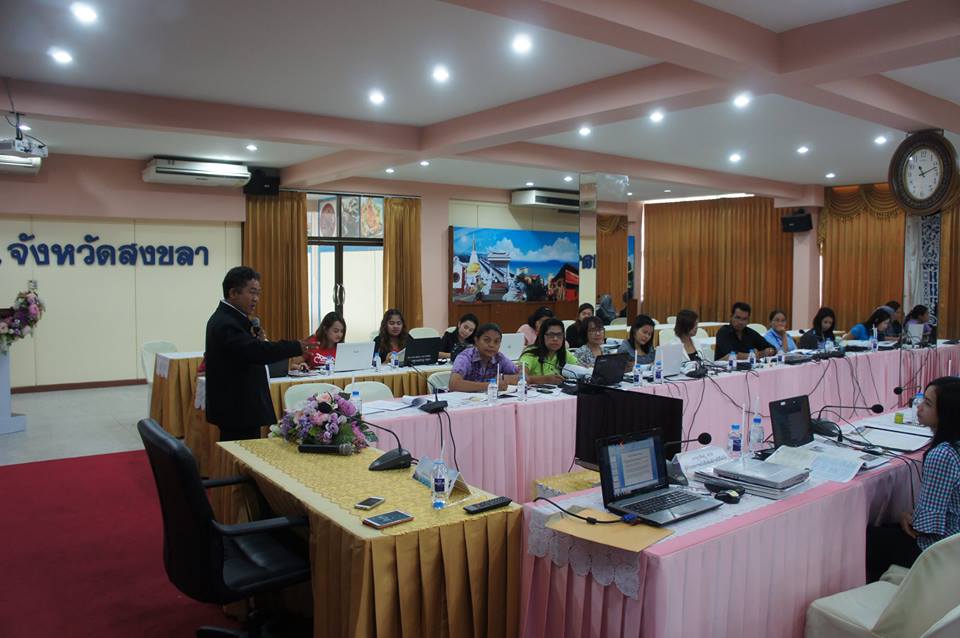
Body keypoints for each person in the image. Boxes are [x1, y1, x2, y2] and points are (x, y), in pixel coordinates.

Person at [865, 377, 960, 581]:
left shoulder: (943, 454)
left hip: (938, 552)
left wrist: (906, 517)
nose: (919, 407)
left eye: (928, 404)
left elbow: (925, 527)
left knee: (864, 540)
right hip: (952, 544)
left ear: (947, 413)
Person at [205, 266, 315, 441]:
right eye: (252, 292)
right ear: (233, 293)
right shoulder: (227, 323)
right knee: (241, 454)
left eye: (258, 293)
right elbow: (256, 352)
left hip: (240, 407)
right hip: (237, 408)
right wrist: (294, 346)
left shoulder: (233, 318)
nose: (256, 299)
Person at [448, 323, 519, 392]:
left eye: (496, 341)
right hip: (464, 399)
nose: (491, 345)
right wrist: (491, 385)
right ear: (476, 341)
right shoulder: (465, 357)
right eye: (486, 340)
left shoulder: (499, 358)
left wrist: (504, 378)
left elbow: (521, 375)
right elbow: (454, 384)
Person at [519, 318, 577, 384]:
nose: (555, 339)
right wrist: (545, 379)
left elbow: (581, 372)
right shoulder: (531, 353)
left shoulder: (565, 354)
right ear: (542, 336)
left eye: (559, 335)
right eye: (551, 335)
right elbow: (520, 376)